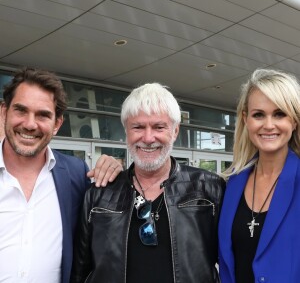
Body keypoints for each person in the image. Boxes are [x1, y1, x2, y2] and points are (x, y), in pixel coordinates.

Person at [71, 82, 226, 283]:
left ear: (175, 131)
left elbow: (232, 262)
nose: (148, 138)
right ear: (126, 132)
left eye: (159, 127)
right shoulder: (99, 194)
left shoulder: (208, 188)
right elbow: (80, 271)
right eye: (138, 127)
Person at [0, 67, 122, 283]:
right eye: (21, 110)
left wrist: (115, 171)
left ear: (57, 124)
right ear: (4, 112)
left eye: (43, 115)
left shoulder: (76, 174)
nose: (30, 124)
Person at [218, 69, 300, 283]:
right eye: (259, 114)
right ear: (246, 119)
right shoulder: (230, 184)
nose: (269, 125)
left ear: (294, 121)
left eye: (279, 113)